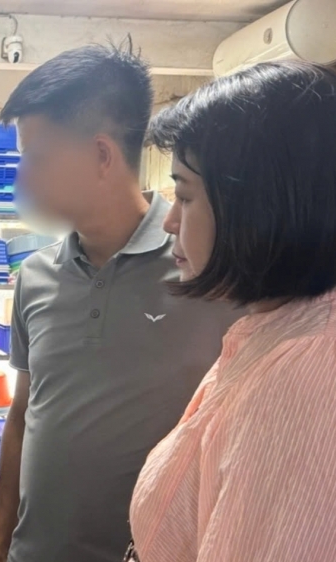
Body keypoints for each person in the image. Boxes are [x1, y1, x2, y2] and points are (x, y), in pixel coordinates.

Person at [0, 41, 242, 562]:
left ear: (102, 155)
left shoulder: (209, 272)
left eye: (36, 158)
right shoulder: (35, 276)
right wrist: (0, 538)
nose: (22, 179)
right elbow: (23, 413)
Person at [127, 61, 336, 562]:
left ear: (259, 206)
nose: (170, 222)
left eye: (184, 195)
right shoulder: (273, 331)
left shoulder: (304, 375)